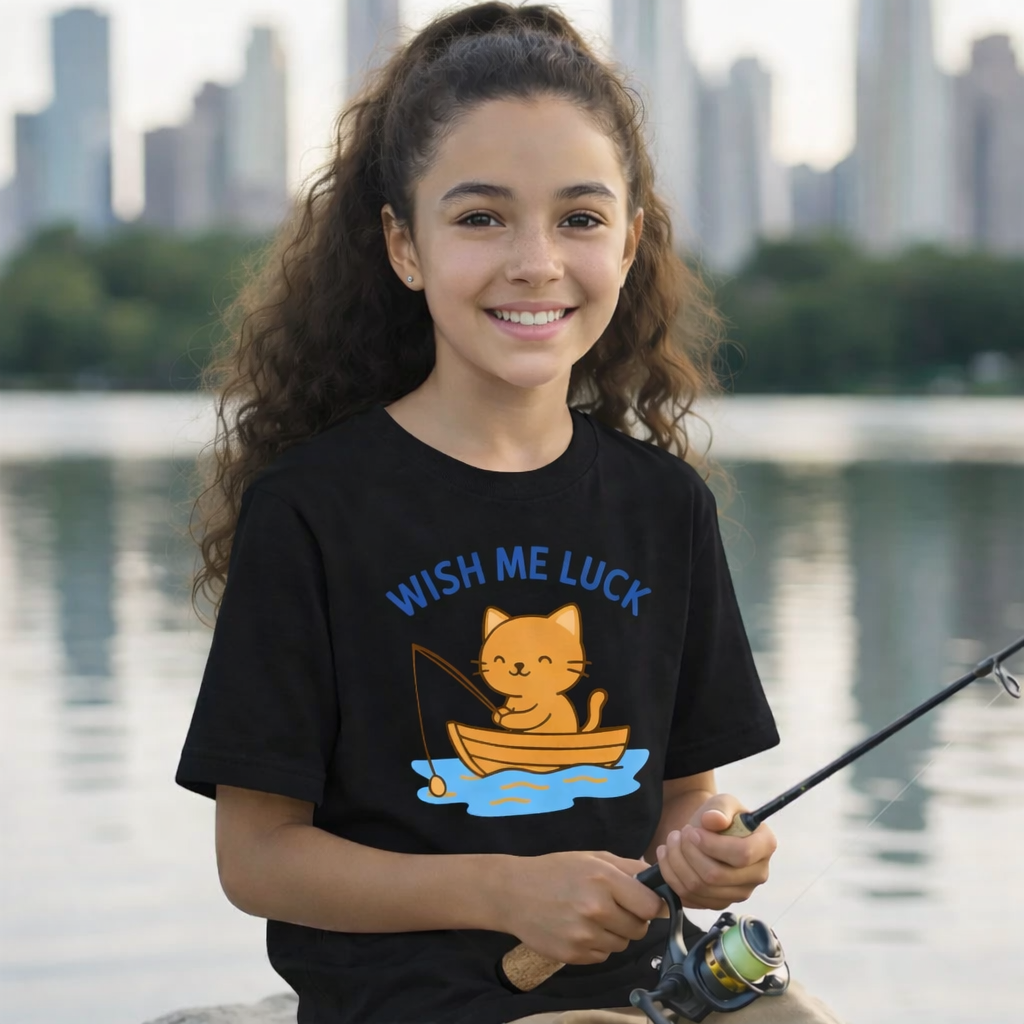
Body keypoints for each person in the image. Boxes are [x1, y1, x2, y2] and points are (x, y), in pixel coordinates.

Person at [176, 5, 844, 1023]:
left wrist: (711, 851)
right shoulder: (311, 508)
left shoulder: (665, 505)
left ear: (626, 244)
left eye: (578, 218)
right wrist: (501, 889)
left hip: (652, 983)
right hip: (411, 998)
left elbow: (678, 798)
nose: (535, 261)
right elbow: (257, 858)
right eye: (481, 216)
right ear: (404, 245)